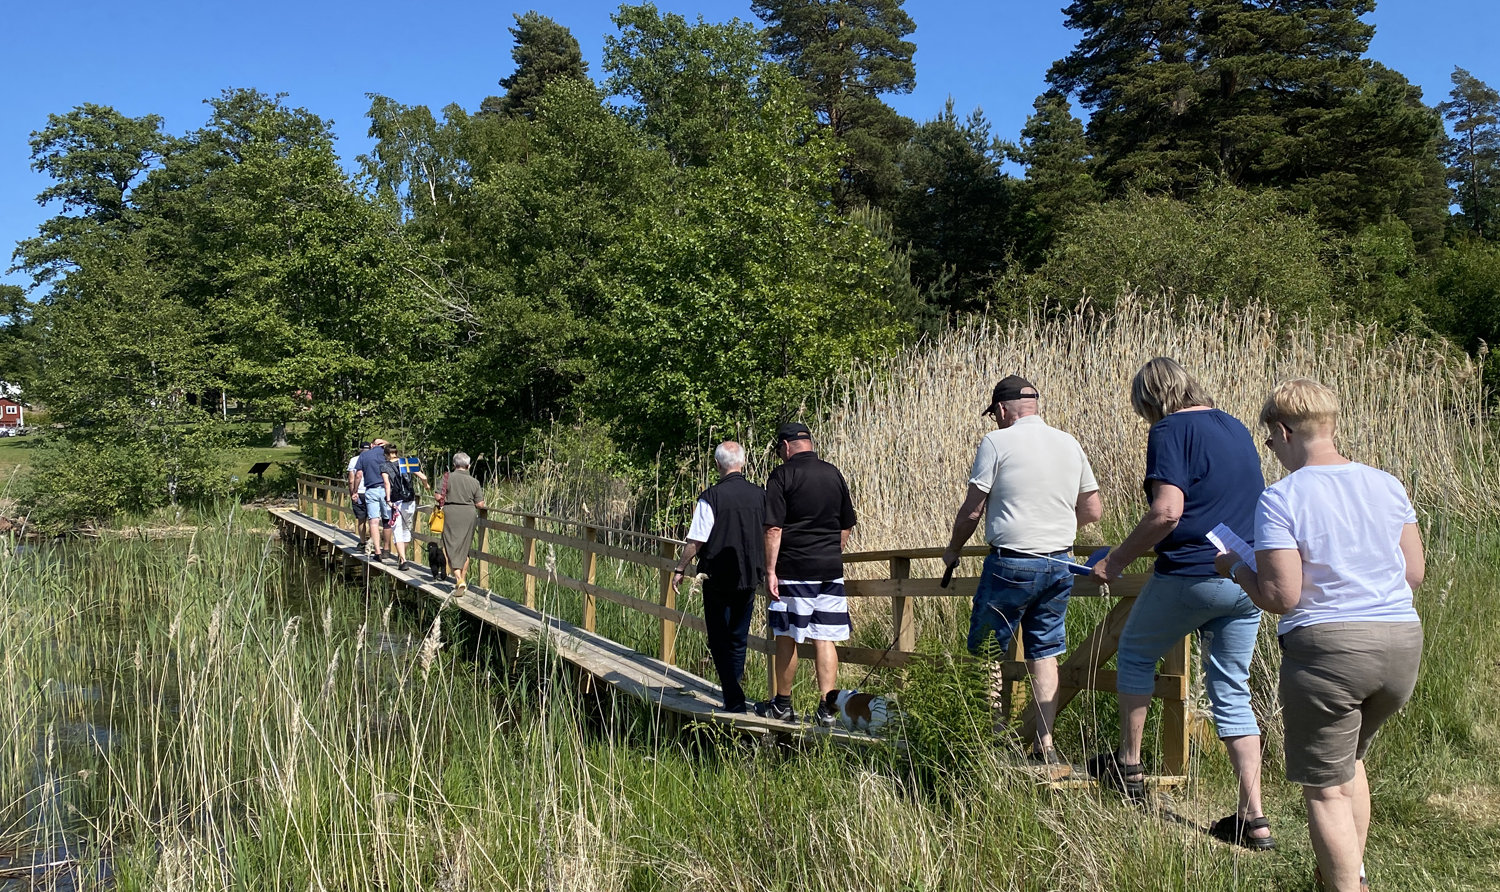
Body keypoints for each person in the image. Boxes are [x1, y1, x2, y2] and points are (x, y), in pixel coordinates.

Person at [1216, 379, 1424, 891]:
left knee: (1326, 788)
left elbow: (1281, 596)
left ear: (1284, 432)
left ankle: (1344, 886)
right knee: (1350, 763)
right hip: (1400, 640)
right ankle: (1348, 874)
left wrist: (1235, 570)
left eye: (1270, 441)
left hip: (1329, 649)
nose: (1273, 451)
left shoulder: (1282, 499)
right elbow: (1413, 573)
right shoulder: (1387, 483)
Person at [1085, 358, 1273, 847]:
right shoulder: (1234, 426)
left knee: (1135, 652)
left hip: (1192, 571)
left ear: (1152, 399)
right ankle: (1255, 819)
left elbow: (1167, 511)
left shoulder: (1169, 430)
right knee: (1232, 690)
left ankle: (1128, 768)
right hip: (1246, 574)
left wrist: (1117, 560)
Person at [942, 375, 1102, 778]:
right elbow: (1093, 511)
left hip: (1013, 561)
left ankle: (993, 736)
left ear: (1001, 410)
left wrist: (953, 549)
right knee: (1045, 652)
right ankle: (1045, 744)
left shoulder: (996, 442)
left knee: (986, 647)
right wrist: (1056, 528)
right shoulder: (1069, 442)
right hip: (1061, 562)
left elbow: (973, 509)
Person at [755, 422, 857, 727]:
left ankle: (782, 705)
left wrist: (771, 570)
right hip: (829, 570)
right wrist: (831, 551)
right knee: (825, 638)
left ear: (785, 447)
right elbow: (846, 524)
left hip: (795, 569)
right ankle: (827, 709)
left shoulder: (782, 475)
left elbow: (773, 527)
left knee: (787, 636)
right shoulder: (833, 473)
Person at [671, 441, 765, 714]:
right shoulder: (761, 495)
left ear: (717, 465)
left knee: (718, 638)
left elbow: (696, 540)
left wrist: (680, 568)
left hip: (717, 575)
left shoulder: (711, 497)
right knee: (738, 637)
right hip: (748, 575)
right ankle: (733, 695)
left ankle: (733, 698)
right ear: (743, 463)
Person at [437, 452, 486, 595]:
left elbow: (438, 496)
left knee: (451, 546)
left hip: (451, 512)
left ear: (454, 465)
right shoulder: (474, 481)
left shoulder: (447, 477)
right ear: (468, 465)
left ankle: (459, 579)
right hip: (468, 514)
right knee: (464, 548)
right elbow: (480, 504)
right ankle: (462, 580)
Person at [382, 444, 429, 572]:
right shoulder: (406, 462)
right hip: (410, 500)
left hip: (396, 501)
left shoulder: (384, 466)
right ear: (396, 452)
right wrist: (426, 486)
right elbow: (423, 477)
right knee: (406, 527)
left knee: (397, 529)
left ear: (386, 454)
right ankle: (402, 556)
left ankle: (403, 560)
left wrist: (388, 499)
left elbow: (387, 484)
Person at [354, 439, 392, 559]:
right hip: (386, 490)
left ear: (371, 445)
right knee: (387, 521)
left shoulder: (364, 455)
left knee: (373, 521)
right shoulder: (387, 455)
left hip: (371, 489)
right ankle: (386, 549)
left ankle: (377, 551)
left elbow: (358, 475)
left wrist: (355, 491)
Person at [347, 442, 371, 548]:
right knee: (373, 520)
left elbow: (352, 480)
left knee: (361, 519)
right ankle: (373, 543)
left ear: (359, 449)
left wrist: (353, 493)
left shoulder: (354, 460)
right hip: (372, 491)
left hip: (359, 492)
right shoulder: (374, 459)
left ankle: (362, 542)